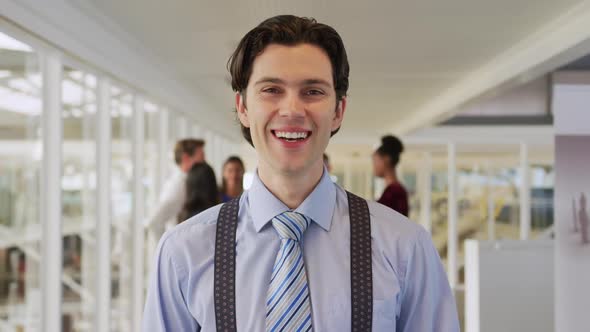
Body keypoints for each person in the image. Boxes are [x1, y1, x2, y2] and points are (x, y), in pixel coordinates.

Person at [143, 15, 459, 331]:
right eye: (271, 89)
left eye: (312, 91)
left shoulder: (404, 247)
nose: (292, 110)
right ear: (242, 107)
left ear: (338, 111)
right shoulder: (183, 252)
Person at [144, 138, 205, 239]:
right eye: (201, 157)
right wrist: (166, 251)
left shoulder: (184, 182)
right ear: (186, 158)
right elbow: (154, 222)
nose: (204, 162)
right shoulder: (179, 185)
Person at [373, 135, 410, 217]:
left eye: (375, 160)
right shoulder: (395, 190)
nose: (374, 166)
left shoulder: (395, 191)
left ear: (386, 159)